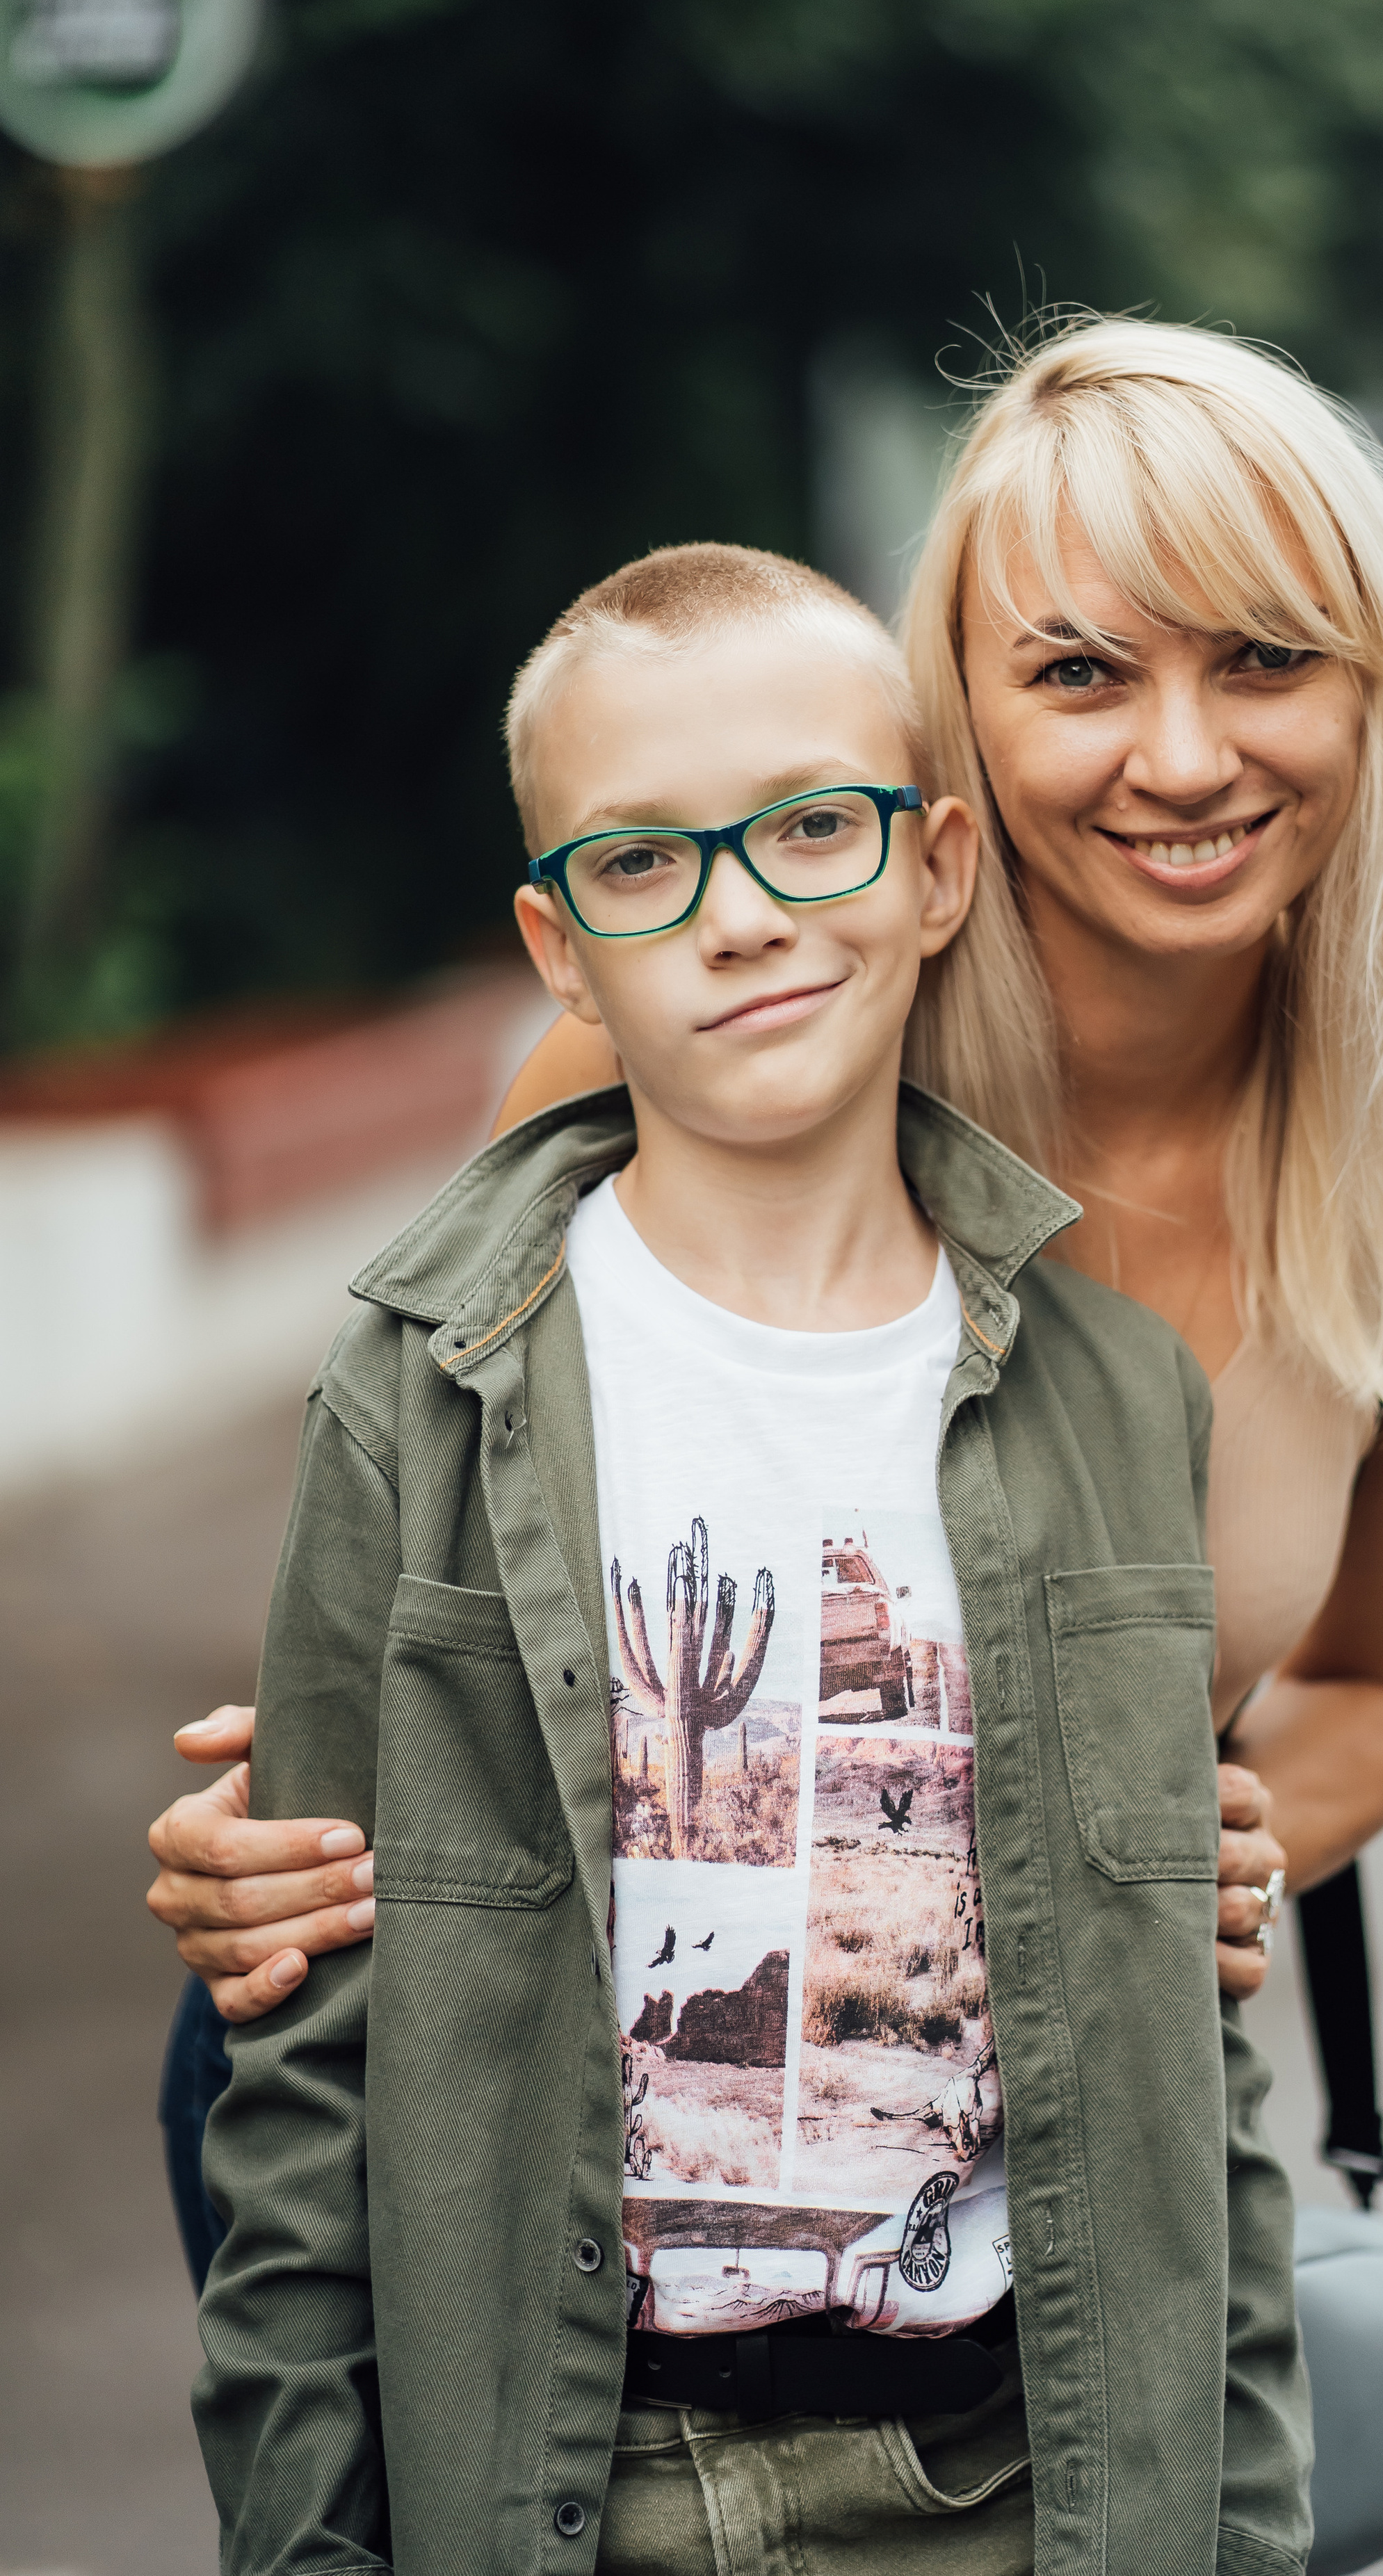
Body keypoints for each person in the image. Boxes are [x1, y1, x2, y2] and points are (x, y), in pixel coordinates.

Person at [151, 321, 1383, 2051]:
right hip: (505, 2117)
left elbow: (1374, 1680)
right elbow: (417, 1608)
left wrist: (1201, 1861)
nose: (1186, 759)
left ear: (1372, 684)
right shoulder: (690, 1054)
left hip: (984, 2156)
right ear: (954, 721)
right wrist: (263, 1848)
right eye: (1079, 676)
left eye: (1266, 659)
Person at [191, 540, 1311, 2575]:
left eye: (813, 829)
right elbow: (304, 2062)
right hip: (575, 2484)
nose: (741, 919)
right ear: (558, 943)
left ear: (937, 869)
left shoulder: (1119, 1399)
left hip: (1012, 2478)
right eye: (645, 866)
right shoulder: (422, 1392)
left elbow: (1191, 2093)